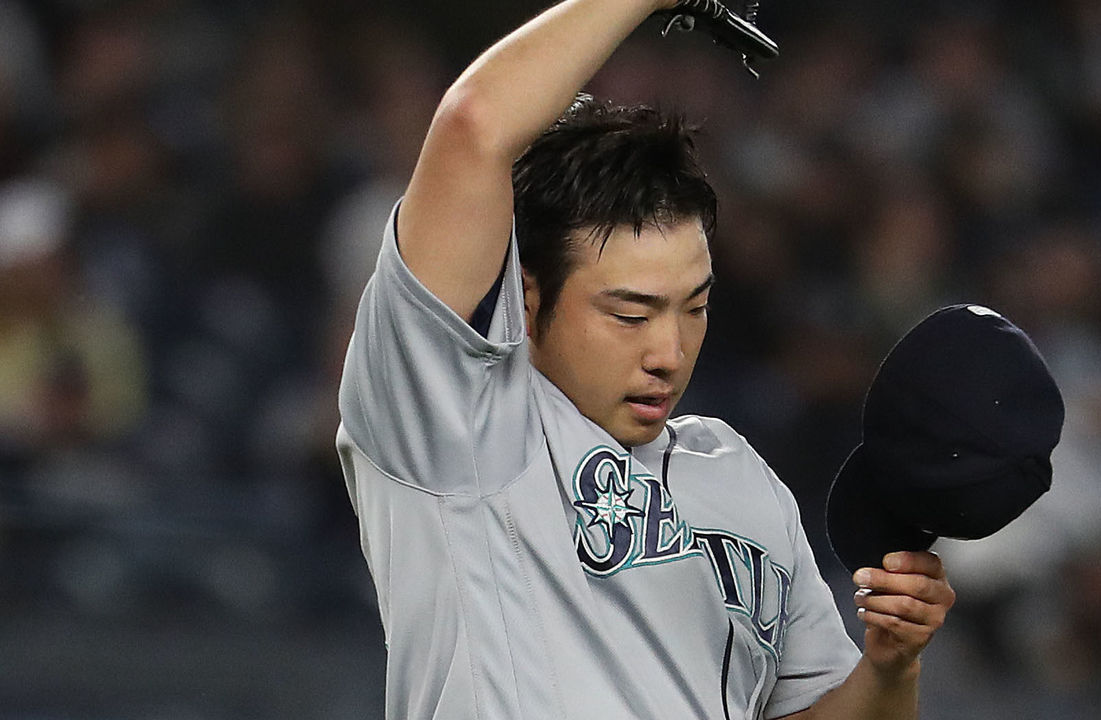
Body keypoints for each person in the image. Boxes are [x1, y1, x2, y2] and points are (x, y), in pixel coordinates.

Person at [335, 1, 955, 717]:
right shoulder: (453, 421)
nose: (668, 351)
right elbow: (474, 127)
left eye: (693, 307)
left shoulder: (742, 480)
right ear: (527, 300)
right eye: (629, 314)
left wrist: (890, 665)